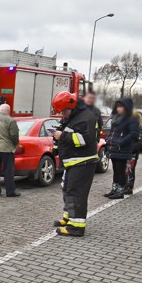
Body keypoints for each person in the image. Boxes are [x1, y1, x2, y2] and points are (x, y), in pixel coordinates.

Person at [51, 91, 99, 237]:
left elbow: (84, 140)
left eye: (64, 111)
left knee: (76, 193)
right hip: (74, 162)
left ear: (71, 106)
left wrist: (62, 136)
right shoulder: (75, 116)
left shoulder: (85, 118)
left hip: (83, 162)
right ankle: (69, 218)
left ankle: (76, 227)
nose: (63, 115)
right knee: (68, 190)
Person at [104, 98, 140, 200]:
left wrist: (121, 142)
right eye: (117, 107)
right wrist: (108, 139)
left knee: (121, 171)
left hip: (122, 149)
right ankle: (115, 188)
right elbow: (112, 132)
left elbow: (134, 134)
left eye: (121, 107)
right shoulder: (116, 117)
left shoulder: (132, 119)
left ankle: (120, 190)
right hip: (114, 148)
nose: (119, 109)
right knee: (115, 170)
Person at [125, 110, 142, 195]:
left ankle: (129, 187)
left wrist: (131, 149)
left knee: (130, 170)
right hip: (125, 152)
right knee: (123, 170)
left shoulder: (139, 128)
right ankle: (123, 185)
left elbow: (141, 142)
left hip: (133, 153)